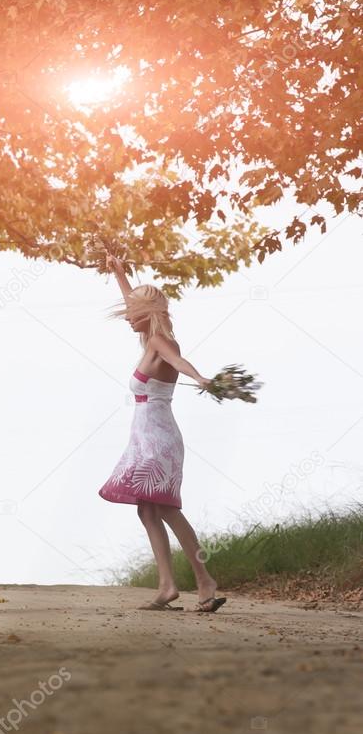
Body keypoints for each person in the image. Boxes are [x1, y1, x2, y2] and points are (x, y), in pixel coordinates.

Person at [99, 255, 227, 614]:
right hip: (146, 436)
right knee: (148, 510)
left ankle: (204, 582)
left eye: (132, 311)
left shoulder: (159, 340)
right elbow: (134, 306)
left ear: (147, 312)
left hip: (158, 439)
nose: (126, 315)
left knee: (166, 510)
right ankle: (169, 586)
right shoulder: (149, 337)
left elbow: (178, 361)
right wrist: (120, 272)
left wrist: (200, 377)